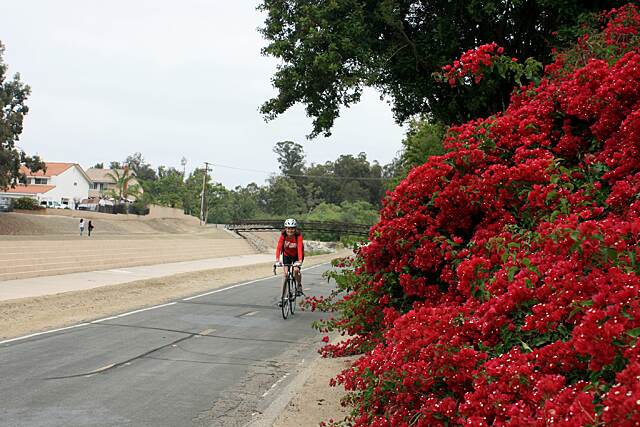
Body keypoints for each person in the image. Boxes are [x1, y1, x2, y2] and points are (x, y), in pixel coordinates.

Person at [275, 218, 305, 302]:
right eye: (288, 228)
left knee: (295, 270)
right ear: (285, 228)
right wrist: (277, 260)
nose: (290, 230)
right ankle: (282, 297)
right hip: (286, 255)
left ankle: (299, 285)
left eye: (292, 228)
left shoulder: (298, 236)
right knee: (285, 275)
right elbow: (278, 248)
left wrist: (299, 261)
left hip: (297, 256)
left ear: (295, 229)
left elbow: (299, 248)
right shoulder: (283, 235)